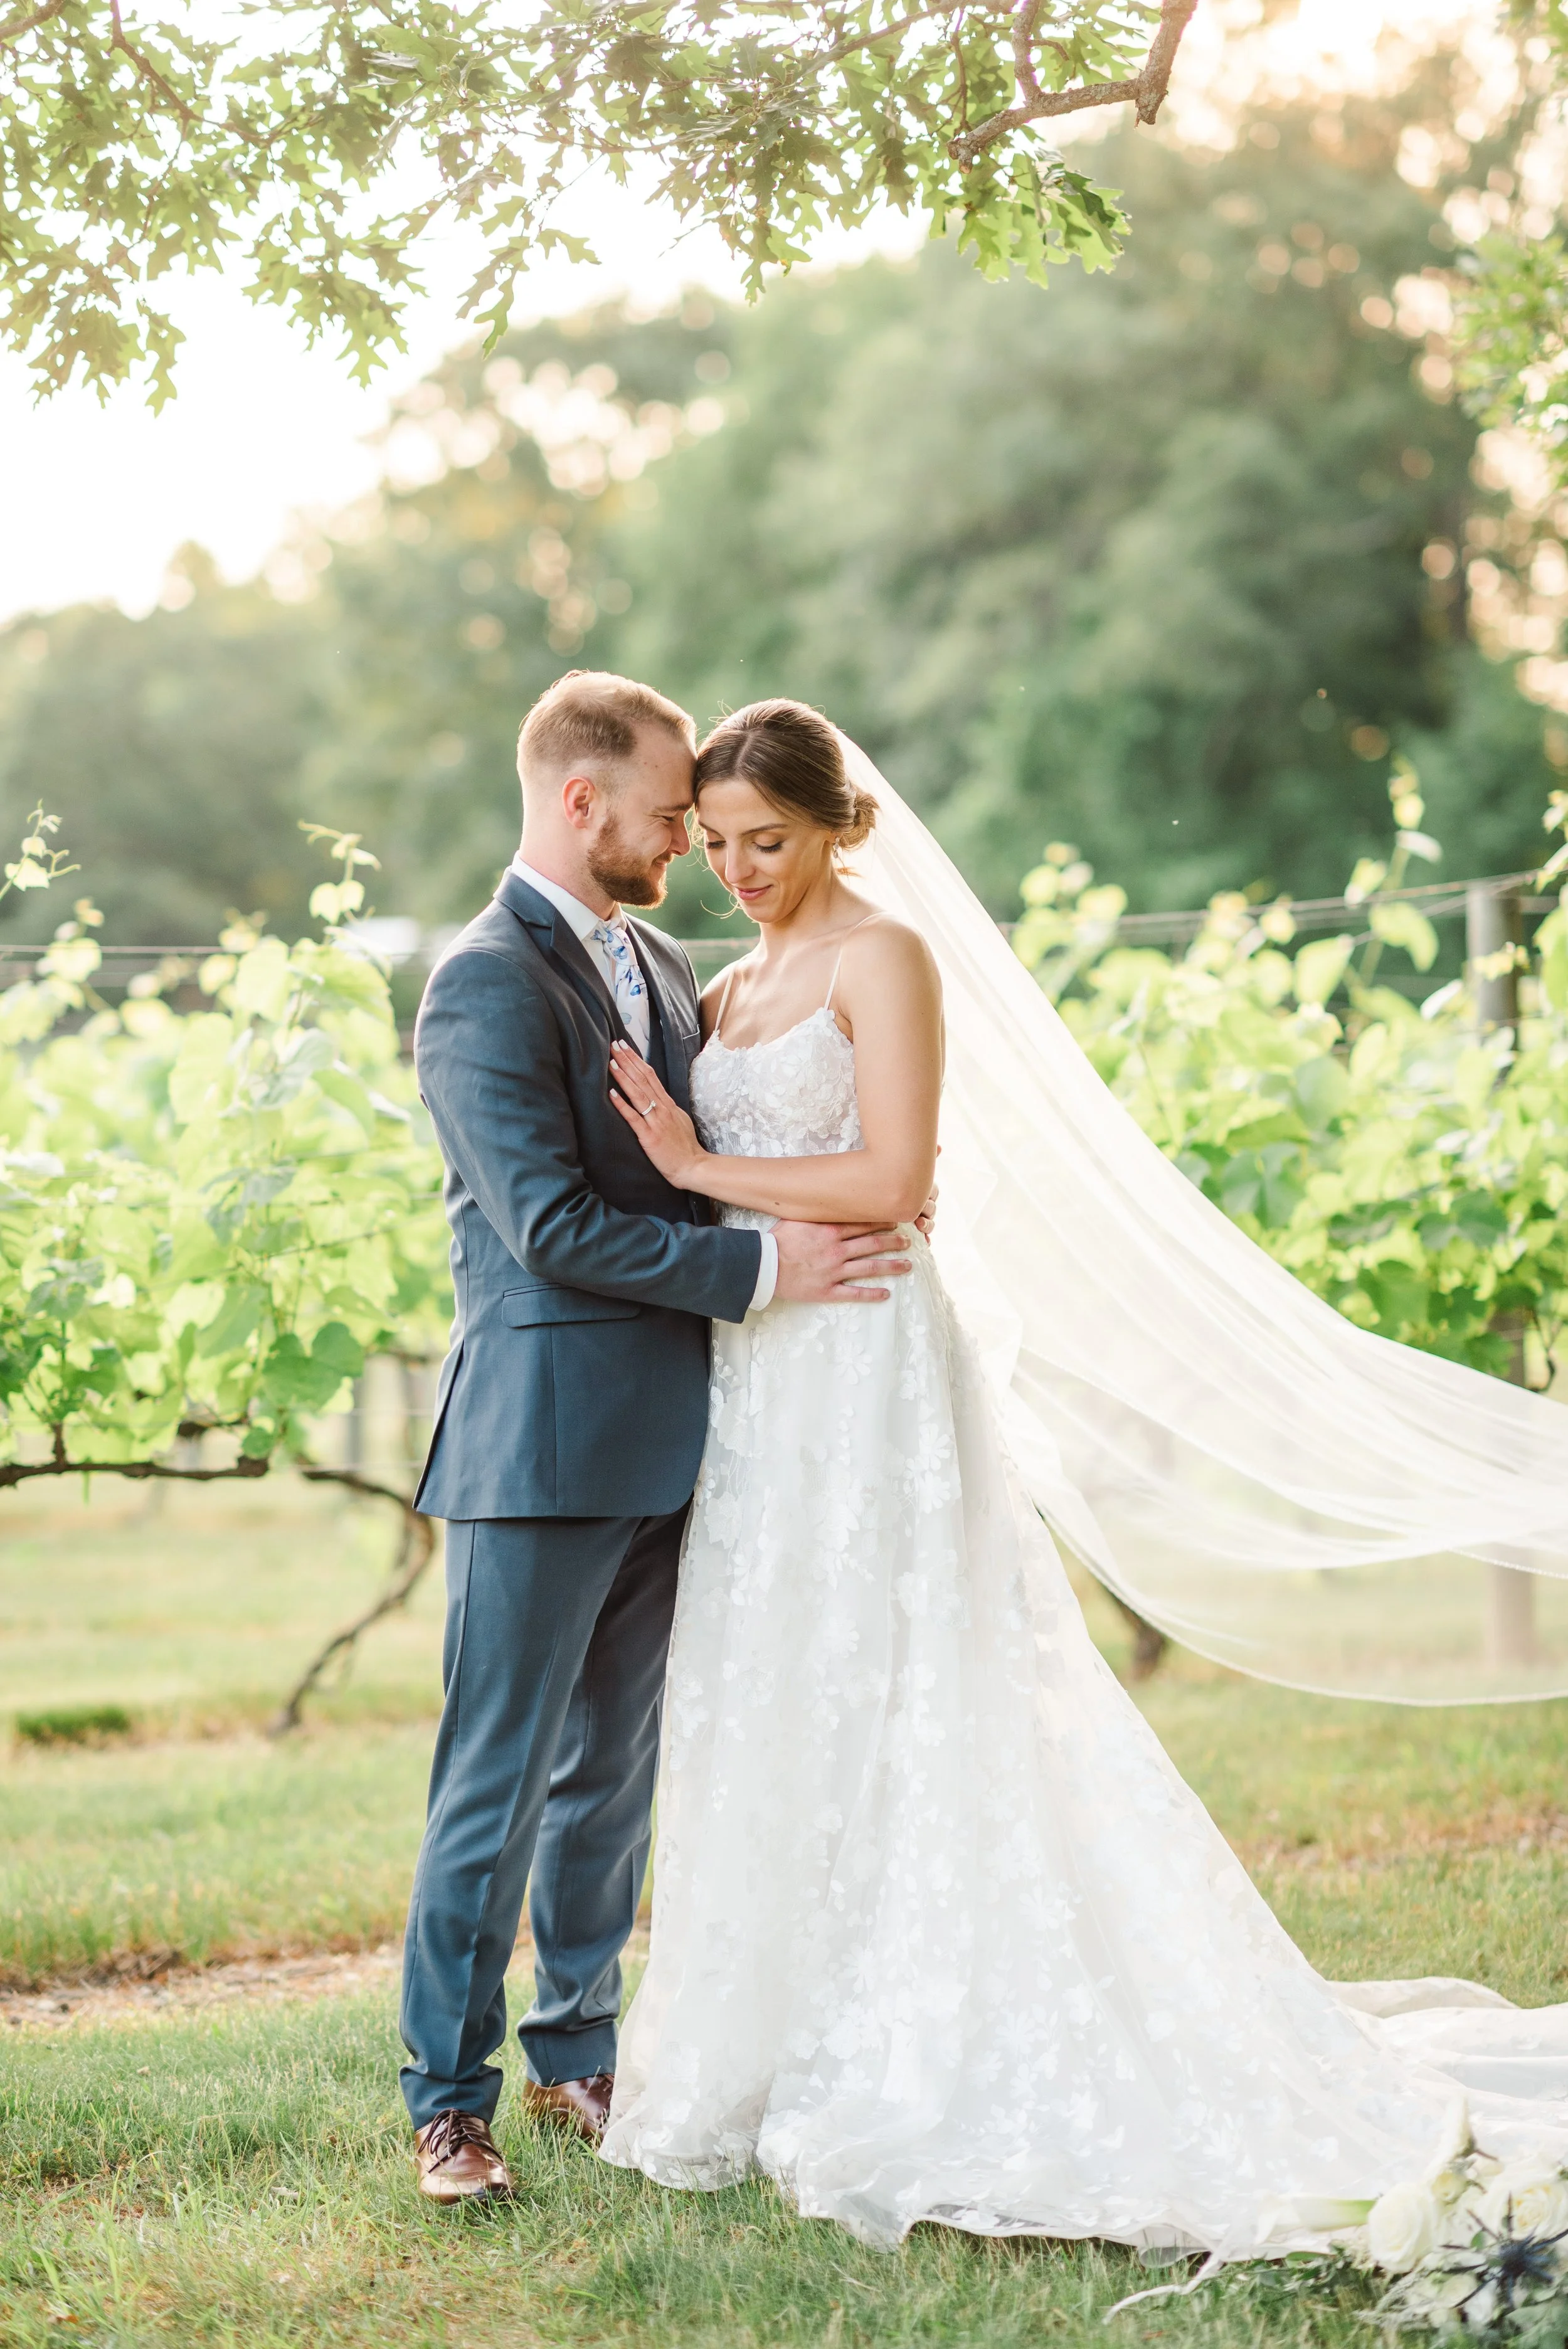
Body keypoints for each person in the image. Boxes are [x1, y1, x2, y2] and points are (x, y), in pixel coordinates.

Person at [599, 697, 1568, 2264]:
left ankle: (937, 2035)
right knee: (776, 1686)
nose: (736, 872)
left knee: (911, 1684)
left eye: (763, 842)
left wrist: (700, 1172)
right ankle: (771, 2044)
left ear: (838, 824)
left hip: (872, 1377)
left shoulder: (880, 960)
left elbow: (896, 1180)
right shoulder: (722, 987)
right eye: (711, 846)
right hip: (766, 1383)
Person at [399, 672, 922, 2203]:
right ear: (581, 802)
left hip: (688, 1436)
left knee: (609, 1779)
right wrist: (766, 1266)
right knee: (493, 1781)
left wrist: (842, 1182)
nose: (684, 843)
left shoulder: (666, 960)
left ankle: (577, 2054)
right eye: (662, 815)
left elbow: (710, 1163)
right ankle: (449, 2099)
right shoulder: (484, 980)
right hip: (540, 1441)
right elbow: (550, 1225)